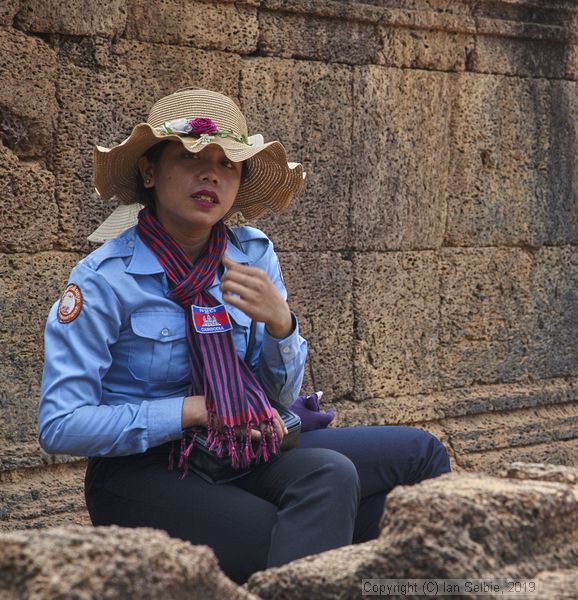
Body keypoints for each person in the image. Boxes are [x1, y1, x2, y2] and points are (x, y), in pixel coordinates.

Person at [38, 89, 451, 583]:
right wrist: (193, 411)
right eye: (191, 158)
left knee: (419, 454)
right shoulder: (103, 280)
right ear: (149, 172)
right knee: (315, 507)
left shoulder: (252, 256)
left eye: (227, 164)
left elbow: (279, 397)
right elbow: (60, 425)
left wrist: (281, 325)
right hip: (145, 470)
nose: (211, 175)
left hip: (242, 446)